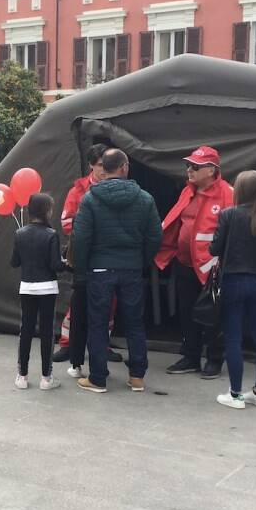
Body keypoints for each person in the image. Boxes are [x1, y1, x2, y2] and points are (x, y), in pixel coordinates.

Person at [71, 149, 162, 394]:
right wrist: (141, 260)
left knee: (98, 324)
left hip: (99, 269)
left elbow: (80, 238)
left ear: (104, 168)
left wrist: (83, 268)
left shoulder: (89, 199)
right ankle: (137, 377)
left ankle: (98, 378)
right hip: (131, 267)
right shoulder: (145, 199)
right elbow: (155, 236)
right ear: (124, 167)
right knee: (134, 323)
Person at [155, 146, 234, 378]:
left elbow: (234, 230)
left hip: (212, 267)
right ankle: (190, 356)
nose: (189, 170)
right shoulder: (187, 192)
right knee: (186, 312)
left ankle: (214, 359)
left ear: (211, 170)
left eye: (195, 166)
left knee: (212, 314)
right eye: (188, 165)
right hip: (185, 263)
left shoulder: (227, 194)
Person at [210, 170, 256, 409]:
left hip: (233, 281)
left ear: (240, 191)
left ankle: (236, 394)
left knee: (233, 337)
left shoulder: (229, 215)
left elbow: (214, 249)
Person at [55, 144, 123, 375]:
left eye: (108, 165)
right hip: (85, 257)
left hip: (110, 256)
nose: (105, 170)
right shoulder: (78, 191)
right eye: (101, 166)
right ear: (91, 166)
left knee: (109, 303)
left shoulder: (121, 189)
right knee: (78, 303)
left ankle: (102, 344)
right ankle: (67, 344)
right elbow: (66, 223)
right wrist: (93, 230)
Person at [10, 193, 63, 390]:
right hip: (47, 288)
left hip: (27, 287)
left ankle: (22, 376)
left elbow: (14, 262)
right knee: (47, 332)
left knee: (26, 331)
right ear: (46, 211)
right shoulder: (52, 234)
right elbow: (55, 265)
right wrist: (65, 262)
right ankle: (46, 378)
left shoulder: (19, 234)